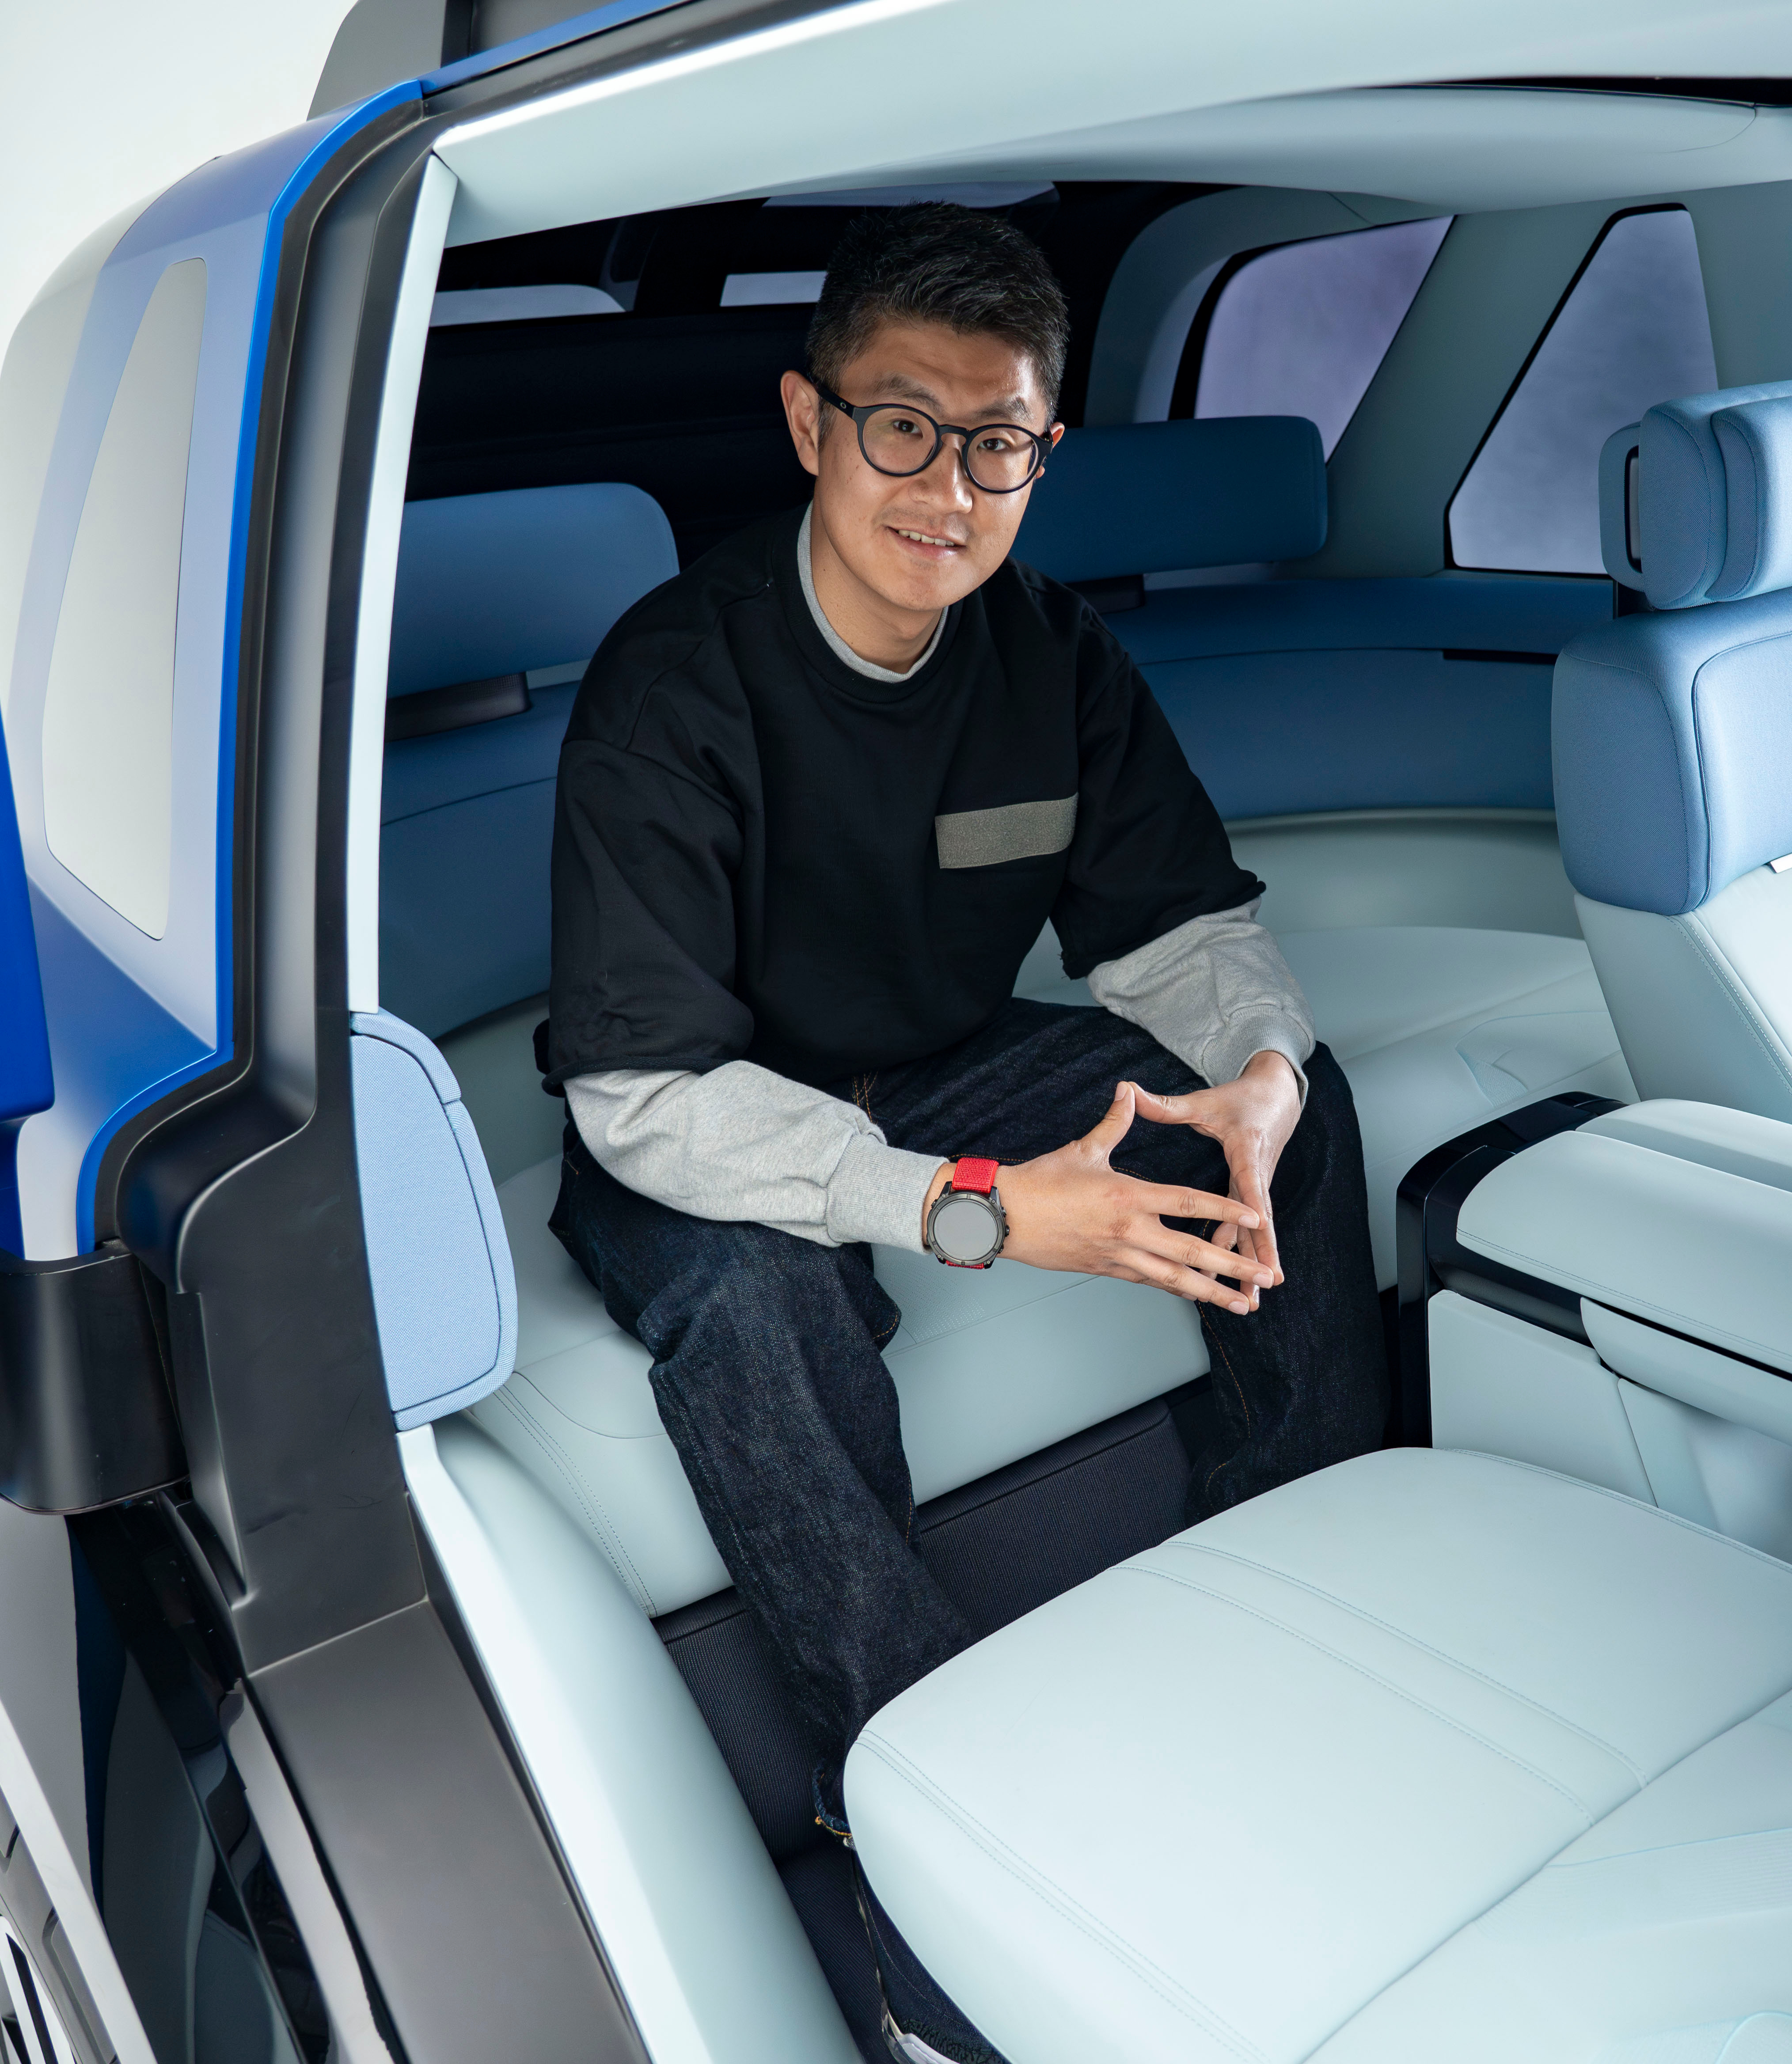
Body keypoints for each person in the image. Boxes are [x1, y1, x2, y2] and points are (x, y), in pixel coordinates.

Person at [536, 202, 1388, 2061]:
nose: (948, 488)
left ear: (1041, 454)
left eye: (997, 442)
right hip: (705, 1112)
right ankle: (912, 1802)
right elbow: (641, 1093)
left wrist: (1260, 1070)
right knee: (758, 1303)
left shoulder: (1048, 655)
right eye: (903, 427)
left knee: (1298, 1112)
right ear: (809, 423)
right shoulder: (675, 685)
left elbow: (1184, 940)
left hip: (942, 1061)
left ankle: (1304, 1574)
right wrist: (978, 1209)